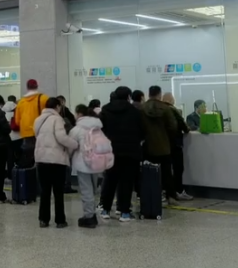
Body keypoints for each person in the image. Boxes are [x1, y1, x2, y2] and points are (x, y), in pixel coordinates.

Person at [99, 86, 144, 221]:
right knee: (126, 182)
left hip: (111, 151)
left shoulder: (105, 110)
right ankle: (124, 212)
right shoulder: (134, 112)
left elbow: (101, 130)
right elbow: (142, 131)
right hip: (130, 152)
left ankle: (105, 209)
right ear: (128, 97)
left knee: (110, 180)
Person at [33, 97, 79, 228]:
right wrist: (75, 144)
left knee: (45, 191)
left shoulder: (38, 119)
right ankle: (60, 220)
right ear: (57, 107)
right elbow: (61, 137)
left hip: (41, 159)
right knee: (58, 191)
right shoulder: (57, 119)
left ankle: (43, 219)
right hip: (56, 160)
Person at [141, 86, 178, 203]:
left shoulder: (142, 108)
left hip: (147, 146)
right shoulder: (166, 108)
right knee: (167, 173)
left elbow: (138, 126)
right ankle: (170, 196)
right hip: (164, 146)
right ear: (159, 94)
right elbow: (173, 126)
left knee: (149, 173)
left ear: (149, 94)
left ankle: (151, 196)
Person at [69, 104, 102, 228]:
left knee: (86, 190)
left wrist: (68, 157)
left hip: (82, 164)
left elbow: (70, 146)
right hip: (96, 162)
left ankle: (89, 216)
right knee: (93, 189)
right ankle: (92, 213)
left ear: (79, 114)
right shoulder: (98, 127)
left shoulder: (77, 129)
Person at [162, 93, 193, 201]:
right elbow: (184, 126)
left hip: (163, 144)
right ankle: (178, 191)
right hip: (175, 143)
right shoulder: (173, 110)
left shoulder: (159, 110)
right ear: (171, 100)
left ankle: (165, 192)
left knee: (166, 170)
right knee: (178, 168)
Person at [14, 79, 49, 165]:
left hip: (26, 135)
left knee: (28, 159)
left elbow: (17, 121)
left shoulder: (21, 102)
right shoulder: (44, 98)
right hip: (41, 132)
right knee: (42, 159)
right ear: (37, 86)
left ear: (27, 87)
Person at [3, 95, 22, 173]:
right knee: (19, 155)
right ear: (15, 100)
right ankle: (19, 172)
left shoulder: (2, 110)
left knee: (9, 155)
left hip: (7, 136)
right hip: (18, 137)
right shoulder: (18, 109)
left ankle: (9, 172)